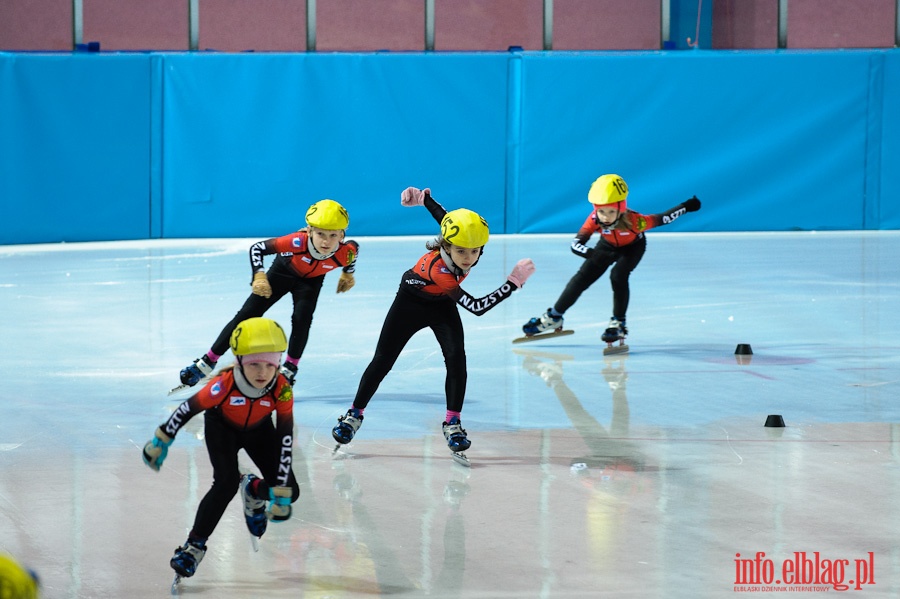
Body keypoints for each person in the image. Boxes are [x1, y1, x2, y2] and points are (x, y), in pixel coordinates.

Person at [332, 186, 536, 453]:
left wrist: (424, 199)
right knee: (383, 360)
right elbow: (475, 307)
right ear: (446, 245)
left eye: (475, 252)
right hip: (410, 303)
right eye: (462, 252)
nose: (468, 258)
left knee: (456, 360)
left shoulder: (455, 235)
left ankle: (453, 423)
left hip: (441, 305)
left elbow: (444, 216)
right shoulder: (441, 270)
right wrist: (512, 284)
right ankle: (354, 415)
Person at [143, 317, 300, 580]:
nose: (262, 373)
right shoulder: (224, 383)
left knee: (290, 491)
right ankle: (194, 546)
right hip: (222, 429)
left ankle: (253, 490)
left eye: (269, 365)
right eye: (254, 365)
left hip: (259, 431)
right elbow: (187, 408)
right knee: (225, 484)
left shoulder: (282, 390)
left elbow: (285, 437)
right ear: (239, 362)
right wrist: (162, 439)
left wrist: (280, 486)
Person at [179, 199, 358, 388]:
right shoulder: (296, 242)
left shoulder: (346, 253)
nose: (326, 241)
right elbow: (257, 248)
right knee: (247, 314)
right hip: (282, 273)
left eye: (333, 235)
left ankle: (289, 369)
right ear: (309, 230)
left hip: (310, 282)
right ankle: (207, 362)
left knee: (302, 320)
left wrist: (348, 273)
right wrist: (259, 274)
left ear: (342, 235)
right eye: (320, 233)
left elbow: (354, 252)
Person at [522, 174, 700, 343]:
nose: (605, 217)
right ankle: (555, 316)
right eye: (601, 211)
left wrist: (686, 206)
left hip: (632, 248)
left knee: (618, 275)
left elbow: (663, 218)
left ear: (621, 209)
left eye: (610, 211)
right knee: (581, 279)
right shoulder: (594, 219)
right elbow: (576, 244)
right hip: (606, 246)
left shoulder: (635, 221)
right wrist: (592, 254)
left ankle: (619, 322)